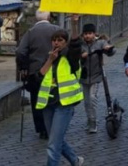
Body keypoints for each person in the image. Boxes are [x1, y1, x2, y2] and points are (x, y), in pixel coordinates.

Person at [34, 15, 84, 166]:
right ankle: (75, 160)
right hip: (48, 105)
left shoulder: (70, 56)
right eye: (54, 40)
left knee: (53, 145)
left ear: (65, 42)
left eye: (60, 40)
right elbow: (38, 77)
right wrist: (49, 60)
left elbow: (76, 45)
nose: (57, 42)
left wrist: (75, 24)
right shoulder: (48, 57)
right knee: (55, 140)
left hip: (64, 104)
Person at [17, 10, 61, 139]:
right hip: (54, 69)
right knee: (53, 97)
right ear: (49, 17)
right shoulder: (57, 30)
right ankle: (53, 126)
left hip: (35, 70)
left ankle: (42, 129)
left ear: (36, 19)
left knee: (37, 100)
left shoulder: (31, 32)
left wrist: (23, 66)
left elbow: (20, 51)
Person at [79, 23, 115, 134]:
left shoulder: (100, 43)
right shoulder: (81, 44)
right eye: (85, 34)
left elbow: (110, 51)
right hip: (84, 76)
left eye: (89, 33)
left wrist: (108, 49)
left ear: (94, 34)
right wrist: (81, 56)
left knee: (92, 99)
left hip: (96, 75)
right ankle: (89, 120)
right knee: (86, 102)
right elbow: (75, 55)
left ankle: (93, 122)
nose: (87, 36)